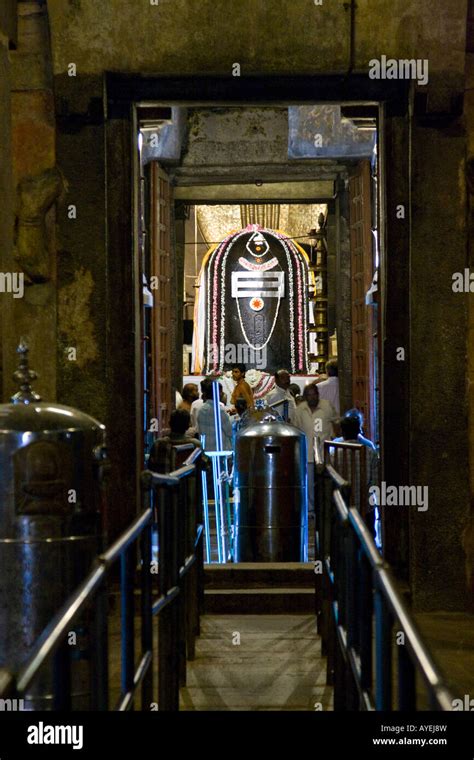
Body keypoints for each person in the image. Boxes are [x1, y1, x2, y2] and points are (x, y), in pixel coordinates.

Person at [332, 410, 380, 545]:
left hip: (342, 507)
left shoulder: (333, 451)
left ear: (342, 431)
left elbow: (330, 482)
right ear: (359, 430)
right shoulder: (369, 452)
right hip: (364, 507)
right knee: (368, 540)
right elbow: (374, 483)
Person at [294, 382, 338, 516]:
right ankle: (311, 509)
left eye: (314, 395)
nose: (312, 397)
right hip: (307, 453)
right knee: (309, 484)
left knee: (325, 482)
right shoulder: (300, 410)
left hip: (325, 453)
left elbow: (336, 422)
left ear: (318, 395)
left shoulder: (326, 406)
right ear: (305, 397)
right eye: (309, 395)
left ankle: (326, 508)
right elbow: (296, 429)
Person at [149, 409, 202, 473]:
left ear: (169, 423)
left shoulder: (158, 444)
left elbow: (151, 468)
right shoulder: (195, 445)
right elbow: (204, 467)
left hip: (162, 481)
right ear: (188, 426)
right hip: (186, 482)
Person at [197, 378, 233, 452]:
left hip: (206, 448)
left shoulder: (201, 410)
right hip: (221, 449)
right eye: (221, 392)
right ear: (218, 393)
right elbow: (229, 432)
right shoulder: (220, 410)